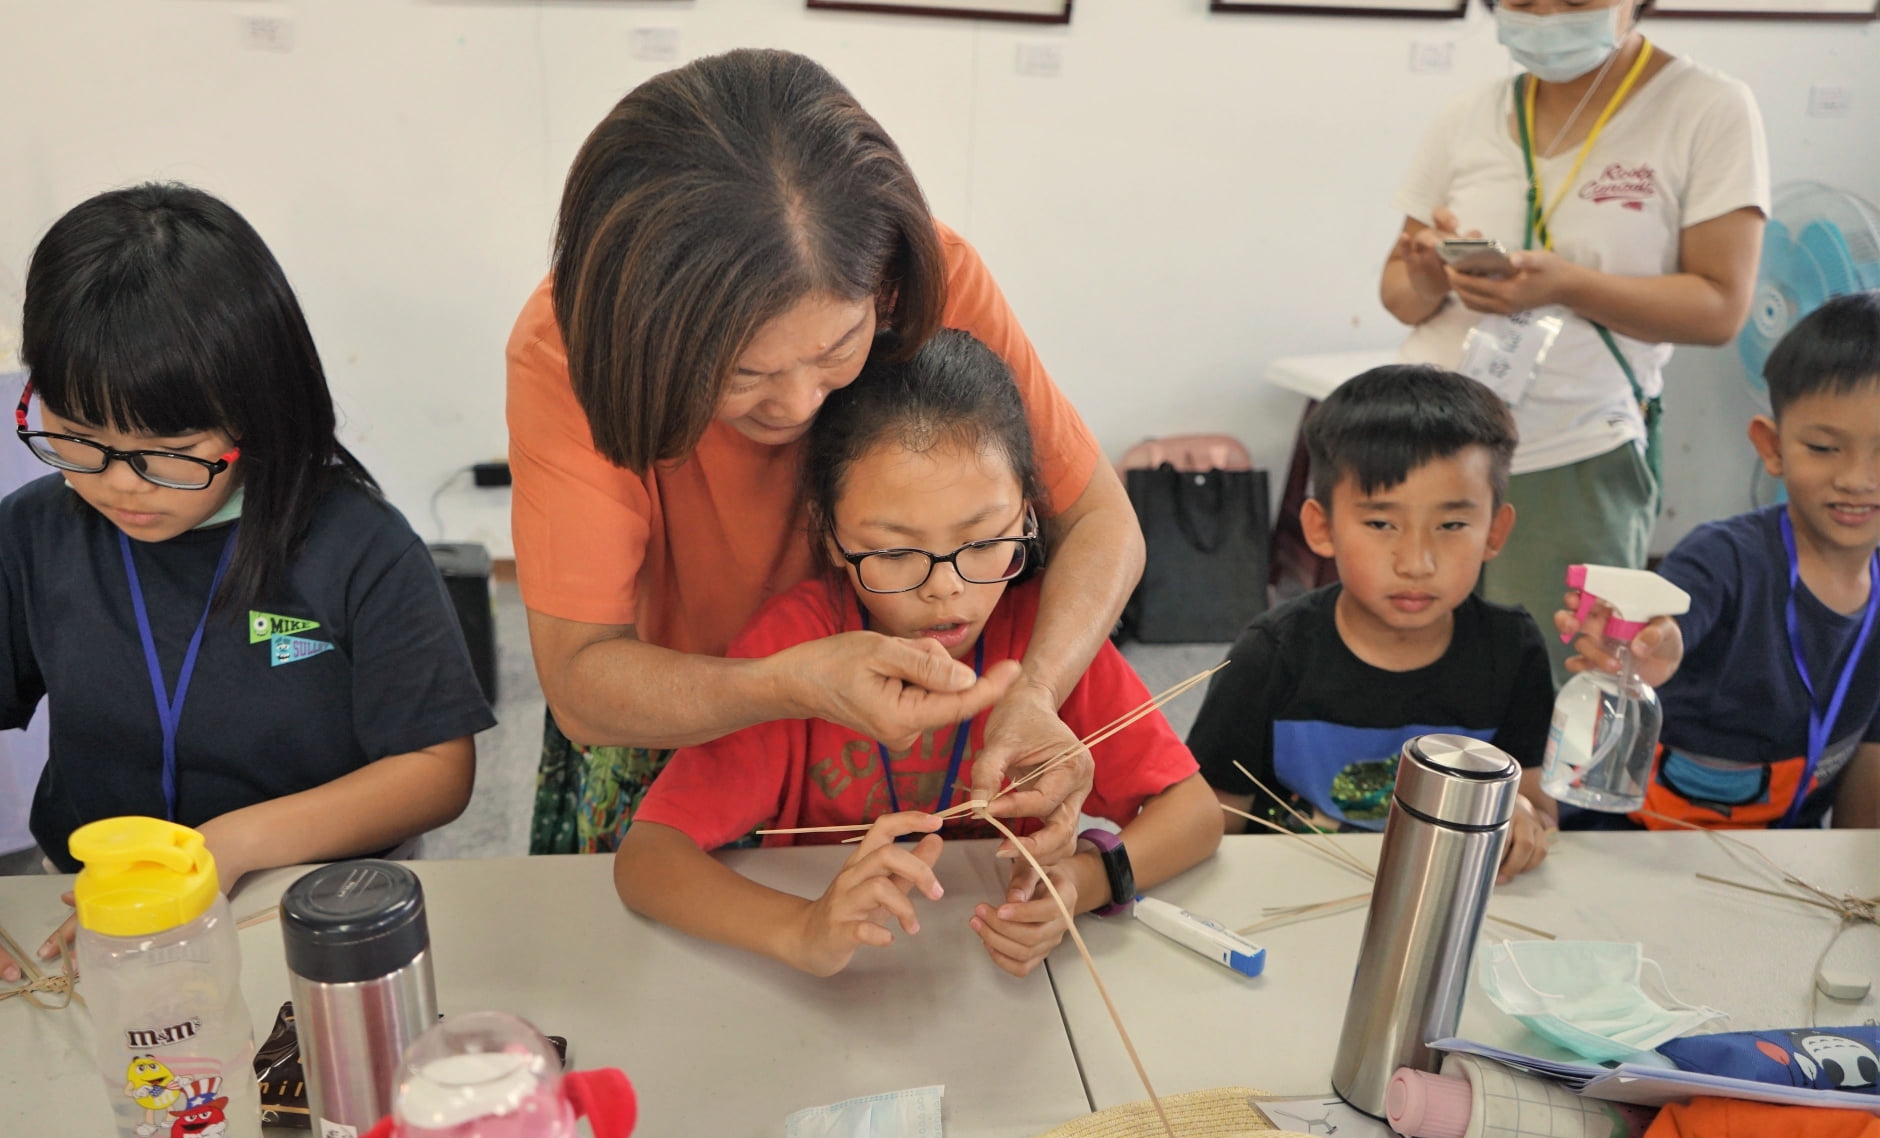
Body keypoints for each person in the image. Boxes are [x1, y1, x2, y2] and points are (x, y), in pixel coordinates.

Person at [509, 49, 1141, 859]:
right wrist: (787, 683)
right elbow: (583, 681)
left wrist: (1039, 691)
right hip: (691, 725)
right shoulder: (568, 350)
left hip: (915, 733)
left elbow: (1101, 520)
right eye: (744, 375)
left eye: (841, 346)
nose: (800, 403)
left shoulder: (931, 277)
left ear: (882, 286)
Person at [0, 184, 495, 993]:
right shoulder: (34, 534)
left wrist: (232, 846)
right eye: (79, 440)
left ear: (255, 413)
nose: (122, 486)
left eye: (167, 452)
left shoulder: (356, 545)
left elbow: (436, 766)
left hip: (305, 902)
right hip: (94, 913)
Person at [613, 331, 1222, 978]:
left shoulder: (1048, 641)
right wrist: (800, 929)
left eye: (985, 540)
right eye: (896, 552)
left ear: (1027, 516)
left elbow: (1196, 815)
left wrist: (1086, 880)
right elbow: (648, 858)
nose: (946, 587)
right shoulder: (801, 651)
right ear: (828, 534)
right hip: (840, 995)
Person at [1380, 0, 1768, 669]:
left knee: (1563, 683)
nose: (1546, 16)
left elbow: (1720, 307)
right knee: (1412, 673)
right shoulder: (1469, 115)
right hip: (1430, 439)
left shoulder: (1707, 108)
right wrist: (1429, 273)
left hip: (1572, 447)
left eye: (1575, 1)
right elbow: (1397, 292)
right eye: (1523, 2)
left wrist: (1566, 285)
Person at [1186, 366, 1557, 882]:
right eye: (1382, 523)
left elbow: (1537, 805)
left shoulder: (1512, 651)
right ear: (1321, 527)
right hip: (1286, 895)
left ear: (1494, 532)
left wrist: (1522, 818)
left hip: (1446, 897)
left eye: (1452, 525)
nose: (1416, 562)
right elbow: (1211, 818)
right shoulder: (1270, 654)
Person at [1558, 293, 1880, 830]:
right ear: (1772, 446)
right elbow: (1672, 627)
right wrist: (1651, 647)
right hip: (1635, 844)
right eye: (1824, 448)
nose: (1856, 478)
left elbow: (1866, 807)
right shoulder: (1724, 557)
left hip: (1776, 873)